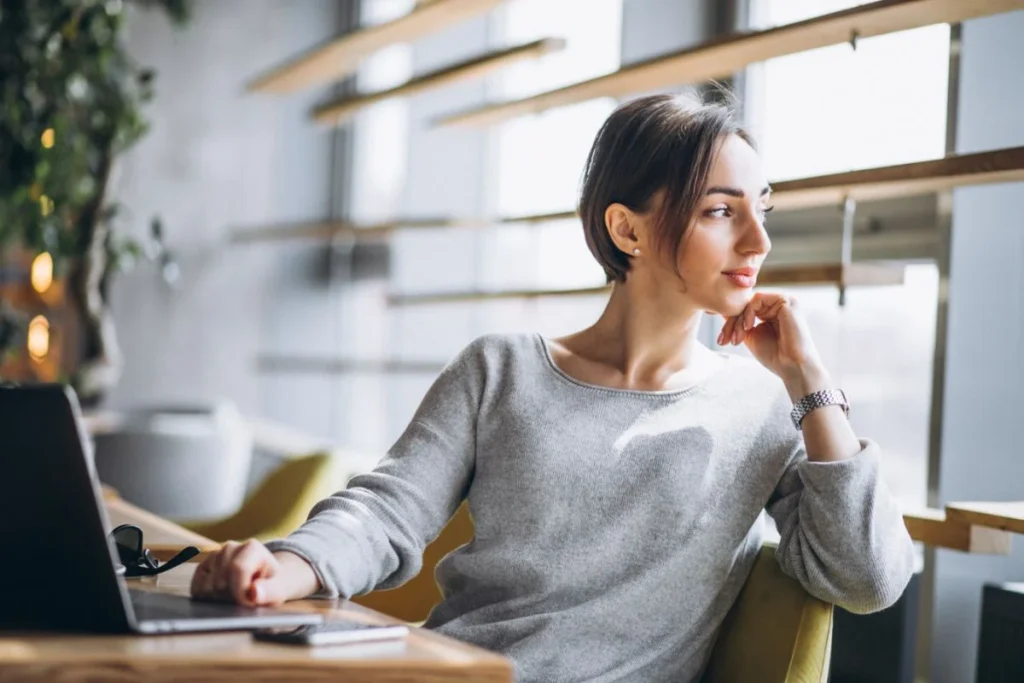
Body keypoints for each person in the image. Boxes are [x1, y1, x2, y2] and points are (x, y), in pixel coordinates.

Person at [192, 93, 915, 682]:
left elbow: (867, 576)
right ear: (628, 229)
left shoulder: (762, 411)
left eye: (764, 209)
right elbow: (386, 511)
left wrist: (809, 380)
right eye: (723, 211)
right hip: (442, 670)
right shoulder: (501, 369)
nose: (759, 241)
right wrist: (284, 566)